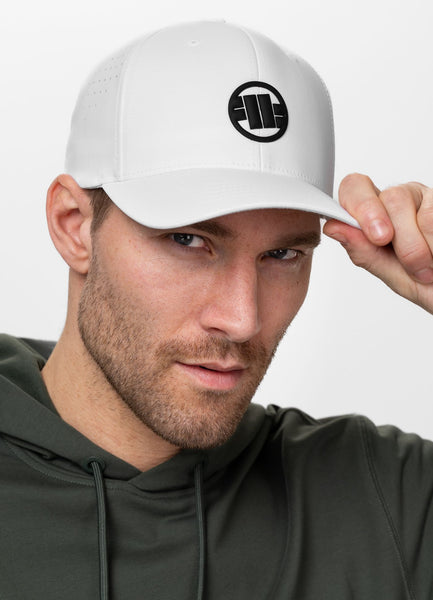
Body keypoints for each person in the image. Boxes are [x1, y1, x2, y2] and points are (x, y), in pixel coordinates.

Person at [1, 20, 432, 600]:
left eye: (282, 254)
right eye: (188, 240)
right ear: (74, 226)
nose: (242, 319)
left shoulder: (385, 496)